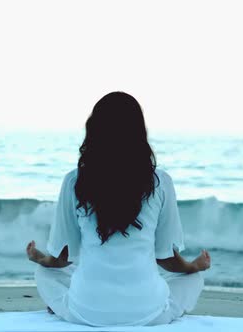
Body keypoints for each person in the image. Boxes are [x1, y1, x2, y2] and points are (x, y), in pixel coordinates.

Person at [25, 91, 211, 327]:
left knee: (45, 274)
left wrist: (40, 258)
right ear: (139, 132)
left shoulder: (74, 181)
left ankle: (63, 306)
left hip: (86, 312)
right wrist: (195, 266)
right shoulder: (160, 182)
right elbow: (166, 259)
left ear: (94, 130)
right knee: (191, 280)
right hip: (148, 314)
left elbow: (62, 260)